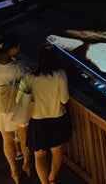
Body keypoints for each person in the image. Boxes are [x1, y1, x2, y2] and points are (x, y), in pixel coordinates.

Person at [0, 35, 31, 183]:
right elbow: (28, 86)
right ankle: (27, 163)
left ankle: (14, 171)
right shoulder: (20, 67)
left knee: (7, 139)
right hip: (17, 107)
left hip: (0, 108)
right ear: (12, 50)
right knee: (24, 137)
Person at [24, 43, 71, 184]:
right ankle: (52, 178)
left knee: (39, 156)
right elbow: (64, 98)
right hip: (57, 119)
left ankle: (44, 182)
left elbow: (20, 100)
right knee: (57, 154)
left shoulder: (29, 77)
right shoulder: (60, 75)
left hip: (37, 121)